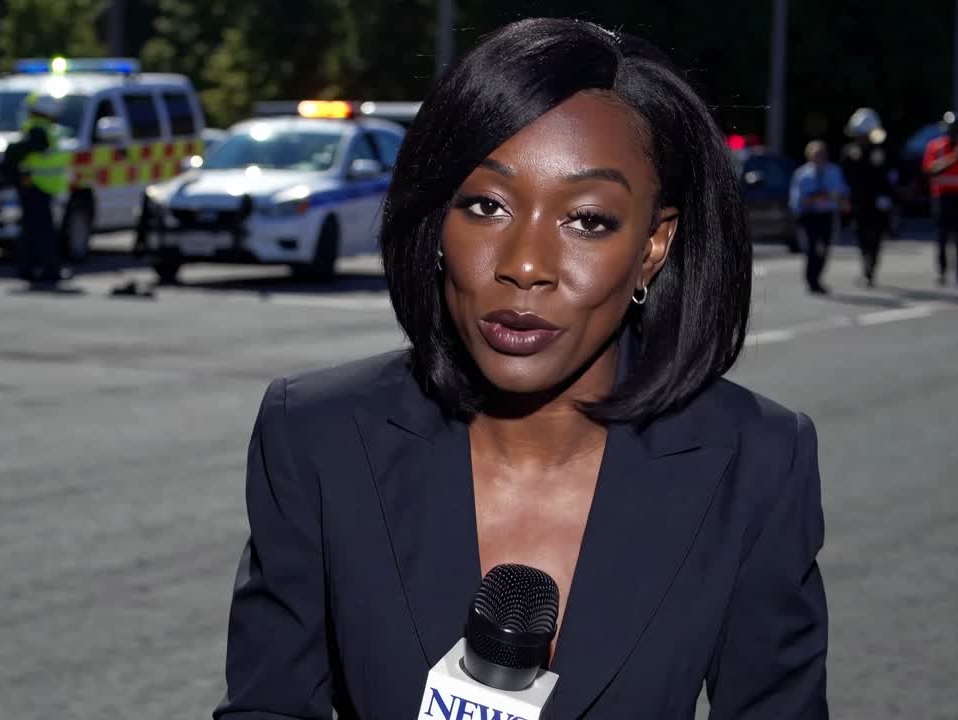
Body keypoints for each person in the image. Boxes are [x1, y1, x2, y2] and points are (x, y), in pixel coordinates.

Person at [216, 18, 828, 720]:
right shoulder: (319, 436)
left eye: (588, 220)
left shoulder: (756, 462)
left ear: (653, 246)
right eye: (486, 206)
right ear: (437, 221)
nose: (525, 265)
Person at [3, 93, 71, 286]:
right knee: (42, 231)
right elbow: (16, 153)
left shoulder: (40, 129)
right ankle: (48, 269)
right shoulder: (39, 130)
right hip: (36, 187)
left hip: (37, 186)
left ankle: (30, 268)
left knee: (32, 230)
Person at [923, 111, 958, 286]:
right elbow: (930, 170)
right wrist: (955, 158)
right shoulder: (936, 147)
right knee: (942, 235)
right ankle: (942, 271)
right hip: (943, 196)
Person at [840, 108, 895, 287]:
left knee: (876, 236)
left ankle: (871, 269)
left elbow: (888, 176)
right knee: (861, 235)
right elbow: (845, 177)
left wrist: (887, 196)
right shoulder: (849, 151)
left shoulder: (882, 150)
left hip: (878, 201)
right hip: (858, 201)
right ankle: (866, 266)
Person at [789, 139, 850, 294]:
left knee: (824, 248)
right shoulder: (802, 174)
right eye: (817, 154)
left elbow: (842, 192)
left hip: (827, 215)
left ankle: (817, 277)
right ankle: (811, 280)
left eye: (823, 154)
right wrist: (823, 197)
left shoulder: (834, 171)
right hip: (810, 215)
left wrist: (842, 202)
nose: (820, 157)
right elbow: (799, 199)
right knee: (812, 247)